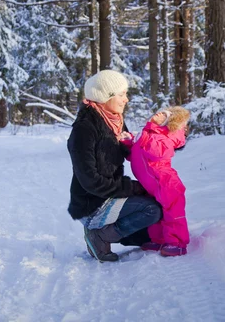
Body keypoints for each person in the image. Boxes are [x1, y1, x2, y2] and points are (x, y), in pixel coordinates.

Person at [67, 69, 162, 262]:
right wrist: (131, 187)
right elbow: (91, 181)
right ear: (105, 96)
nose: (126, 99)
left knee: (150, 229)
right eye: (121, 94)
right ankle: (99, 234)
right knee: (152, 210)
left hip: (107, 195)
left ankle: (108, 232)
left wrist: (160, 138)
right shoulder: (84, 129)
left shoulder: (113, 121)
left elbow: (129, 151)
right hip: (92, 203)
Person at [129, 106, 191, 256]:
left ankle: (177, 243)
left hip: (166, 182)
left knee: (173, 212)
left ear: (170, 123)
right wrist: (129, 141)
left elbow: (159, 153)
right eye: (162, 111)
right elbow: (137, 155)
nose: (160, 113)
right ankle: (159, 240)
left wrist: (144, 135)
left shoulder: (166, 137)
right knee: (158, 211)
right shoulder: (151, 134)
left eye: (165, 115)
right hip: (153, 183)